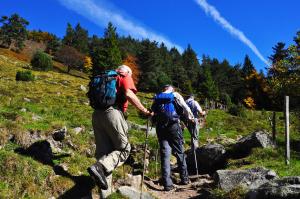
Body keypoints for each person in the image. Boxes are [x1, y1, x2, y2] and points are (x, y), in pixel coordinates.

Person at [87, 65, 153, 198]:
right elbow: (129, 94)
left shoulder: (104, 77)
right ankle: (99, 168)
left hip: (96, 115)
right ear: (126, 71)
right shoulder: (124, 76)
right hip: (112, 113)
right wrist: (144, 110)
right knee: (124, 149)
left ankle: (105, 195)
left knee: (104, 155)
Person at [151, 85, 194, 191]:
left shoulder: (157, 97)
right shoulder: (174, 95)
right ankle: (184, 179)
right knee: (180, 151)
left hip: (161, 127)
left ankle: (167, 184)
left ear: (163, 89)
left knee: (165, 154)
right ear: (171, 89)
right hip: (173, 126)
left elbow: (152, 112)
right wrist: (191, 118)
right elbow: (185, 107)